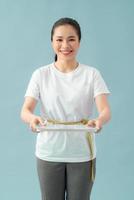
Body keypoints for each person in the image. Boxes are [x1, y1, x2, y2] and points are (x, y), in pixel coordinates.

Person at [20, 17, 111, 200]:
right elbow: (25, 110)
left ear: (79, 42)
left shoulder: (91, 74)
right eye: (59, 39)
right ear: (52, 42)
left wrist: (99, 121)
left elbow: (105, 111)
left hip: (82, 153)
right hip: (49, 151)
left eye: (71, 39)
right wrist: (32, 119)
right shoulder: (41, 74)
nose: (65, 45)